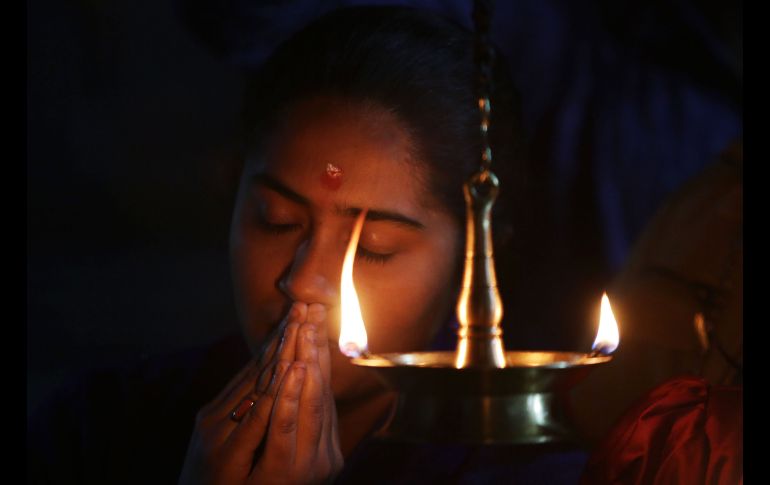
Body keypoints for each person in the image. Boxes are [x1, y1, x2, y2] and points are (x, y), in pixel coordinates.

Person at [31, 6, 575, 484]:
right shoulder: (99, 428)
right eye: (277, 221)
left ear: (475, 263)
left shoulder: (523, 470)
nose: (305, 281)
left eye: (374, 247)